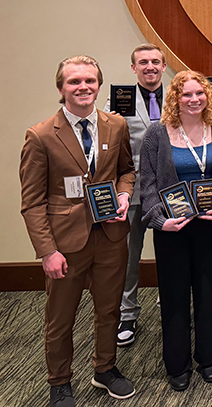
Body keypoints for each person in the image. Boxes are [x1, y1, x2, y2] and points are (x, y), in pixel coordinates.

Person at [20, 56, 136, 406]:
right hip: (65, 243)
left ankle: (105, 368)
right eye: (74, 82)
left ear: (99, 85)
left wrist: (125, 195)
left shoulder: (116, 125)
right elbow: (32, 202)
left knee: (109, 309)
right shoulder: (40, 135)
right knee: (60, 317)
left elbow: (126, 170)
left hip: (111, 237)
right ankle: (59, 381)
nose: (83, 87)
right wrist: (47, 251)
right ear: (61, 88)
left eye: (90, 81)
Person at [140, 71, 212, 390]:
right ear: (174, 98)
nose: (194, 99)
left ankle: (209, 357)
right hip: (172, 227)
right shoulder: (156, 134)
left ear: (208, 96)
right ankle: (177, 362)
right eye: (186, 94)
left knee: (209, 291)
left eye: (199, 93)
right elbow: (148, 183)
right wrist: (159, 219)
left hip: (209, 224)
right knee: (174, 294)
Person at [106, 43, 167, 348]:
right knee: (129, 256)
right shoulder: (118, 101)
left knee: (173, 253)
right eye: (143, 62)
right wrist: (109, 122)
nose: (150, 67)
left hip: (171, 192)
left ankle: (172, 302)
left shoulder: (181, 96)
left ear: (163, 66)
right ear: (134, 68)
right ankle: (127, 313)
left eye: (155, 61)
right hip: (133, 191)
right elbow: (105, 142)